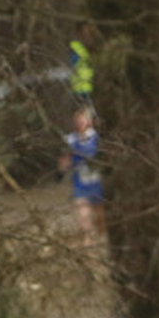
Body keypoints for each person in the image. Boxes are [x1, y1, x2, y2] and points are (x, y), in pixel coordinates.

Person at [59, 106, 104, 248]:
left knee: (100, 213)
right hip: (80, 182)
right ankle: (87, 240)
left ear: (89, 122)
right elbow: (64, 160)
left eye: (83, 120)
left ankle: (102, 236)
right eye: (77, 121)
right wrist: (63, 166)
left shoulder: (97, 138)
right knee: (82, 211)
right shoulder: (70, 140)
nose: (80, 123)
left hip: (97, 181)